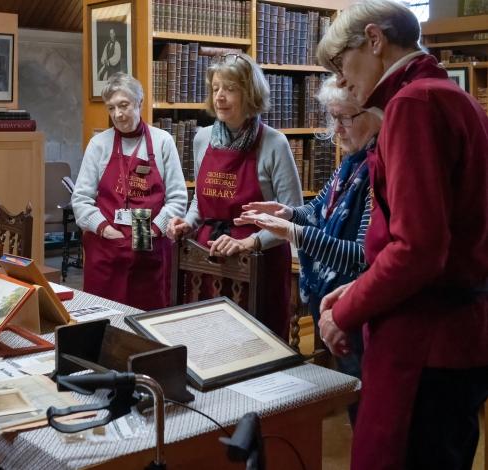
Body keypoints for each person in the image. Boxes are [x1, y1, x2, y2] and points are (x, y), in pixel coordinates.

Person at [315, 1, 488, 468]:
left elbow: (418, 249)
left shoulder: (412, 104)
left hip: (422, 344)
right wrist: (357, 285)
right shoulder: (452, 96)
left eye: (339, 64)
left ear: (374, 40)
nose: (343, 79)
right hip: (458, 337)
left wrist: (345, 310)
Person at [235, 75, 380, 423]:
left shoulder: (376, 170)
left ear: (374, 116)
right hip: (331, 303)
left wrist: (292, 232)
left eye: (345, 118)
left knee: (366, 408)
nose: (338, 129)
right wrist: (287, 212)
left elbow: (360, 255)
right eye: (333, 118)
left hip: (356, 308)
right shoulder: (350, 162)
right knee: (354, 399)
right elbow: (318, 212)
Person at [166, 52, 302, 340]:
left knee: (255, 344)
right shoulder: (202, 138)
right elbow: (199, 201)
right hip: (207, 259)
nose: (220, 97)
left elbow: (293, 216)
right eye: (215, 88)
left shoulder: (274, 143)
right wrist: (188, 223)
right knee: (208, 340)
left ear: (249, 93)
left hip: (257, 261)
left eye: (229, 88)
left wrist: (247, 243)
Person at [72, 73, 187, 310]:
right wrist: (104, 228)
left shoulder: (163, 141)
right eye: (111, 108)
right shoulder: (99, 144)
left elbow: (177, 198)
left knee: (146, 321)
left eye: (123, 105)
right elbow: (81, 199)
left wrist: (155, 230)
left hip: (150, 252)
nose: (117, 114)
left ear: (140, 103)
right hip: (106, 251)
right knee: (102, 320)